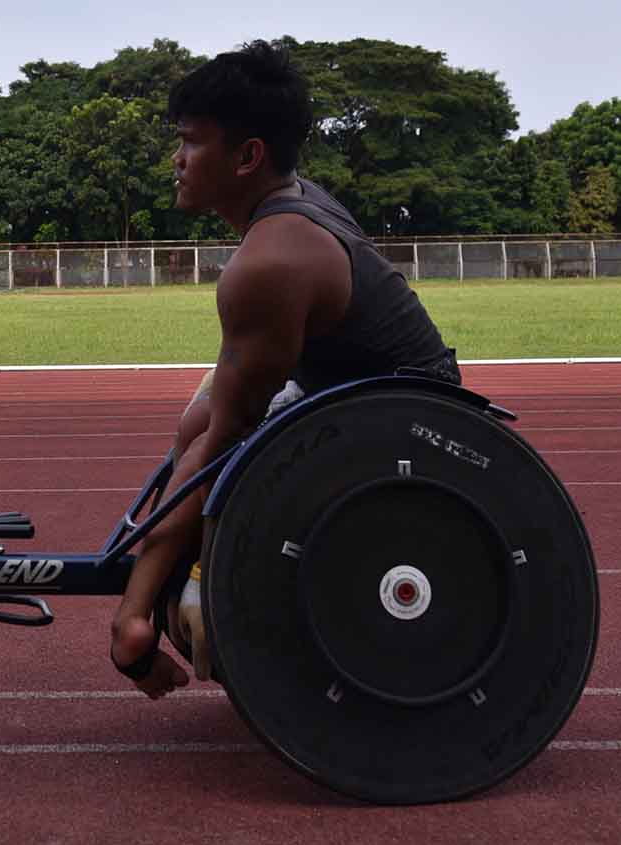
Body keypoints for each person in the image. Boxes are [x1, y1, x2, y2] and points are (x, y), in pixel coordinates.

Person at [110, 40, 461, 699]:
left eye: (191, 142)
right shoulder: (289, 201)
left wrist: (133, 608)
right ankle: (171, 583)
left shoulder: (271, 262)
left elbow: (224, 448)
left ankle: (176, 599)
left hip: (404, 417)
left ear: (248, 157)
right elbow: (214, 426)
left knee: (210, 436)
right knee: (197, 418)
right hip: (364, 387)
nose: (176, 160)